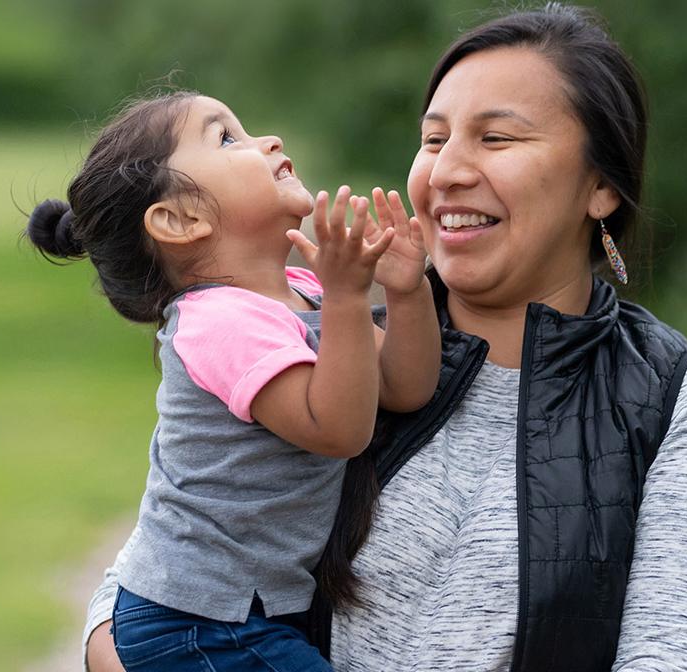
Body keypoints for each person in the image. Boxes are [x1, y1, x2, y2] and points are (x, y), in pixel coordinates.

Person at [84, 6, 687, 671]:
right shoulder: (338, 349)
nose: (447, 171)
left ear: (600, 186)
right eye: (435, 139)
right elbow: (152, 582)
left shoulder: (686, 405)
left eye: (497, 138)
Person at [25, 91, 441, 670]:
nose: (268, 140)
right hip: (194, 621)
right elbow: (340, 429)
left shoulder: (304, 291)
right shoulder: (217, 319)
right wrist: (350, 297)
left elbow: (404, 387)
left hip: (246, 614)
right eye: (228, 138)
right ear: (180, 219)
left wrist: (406, 290)